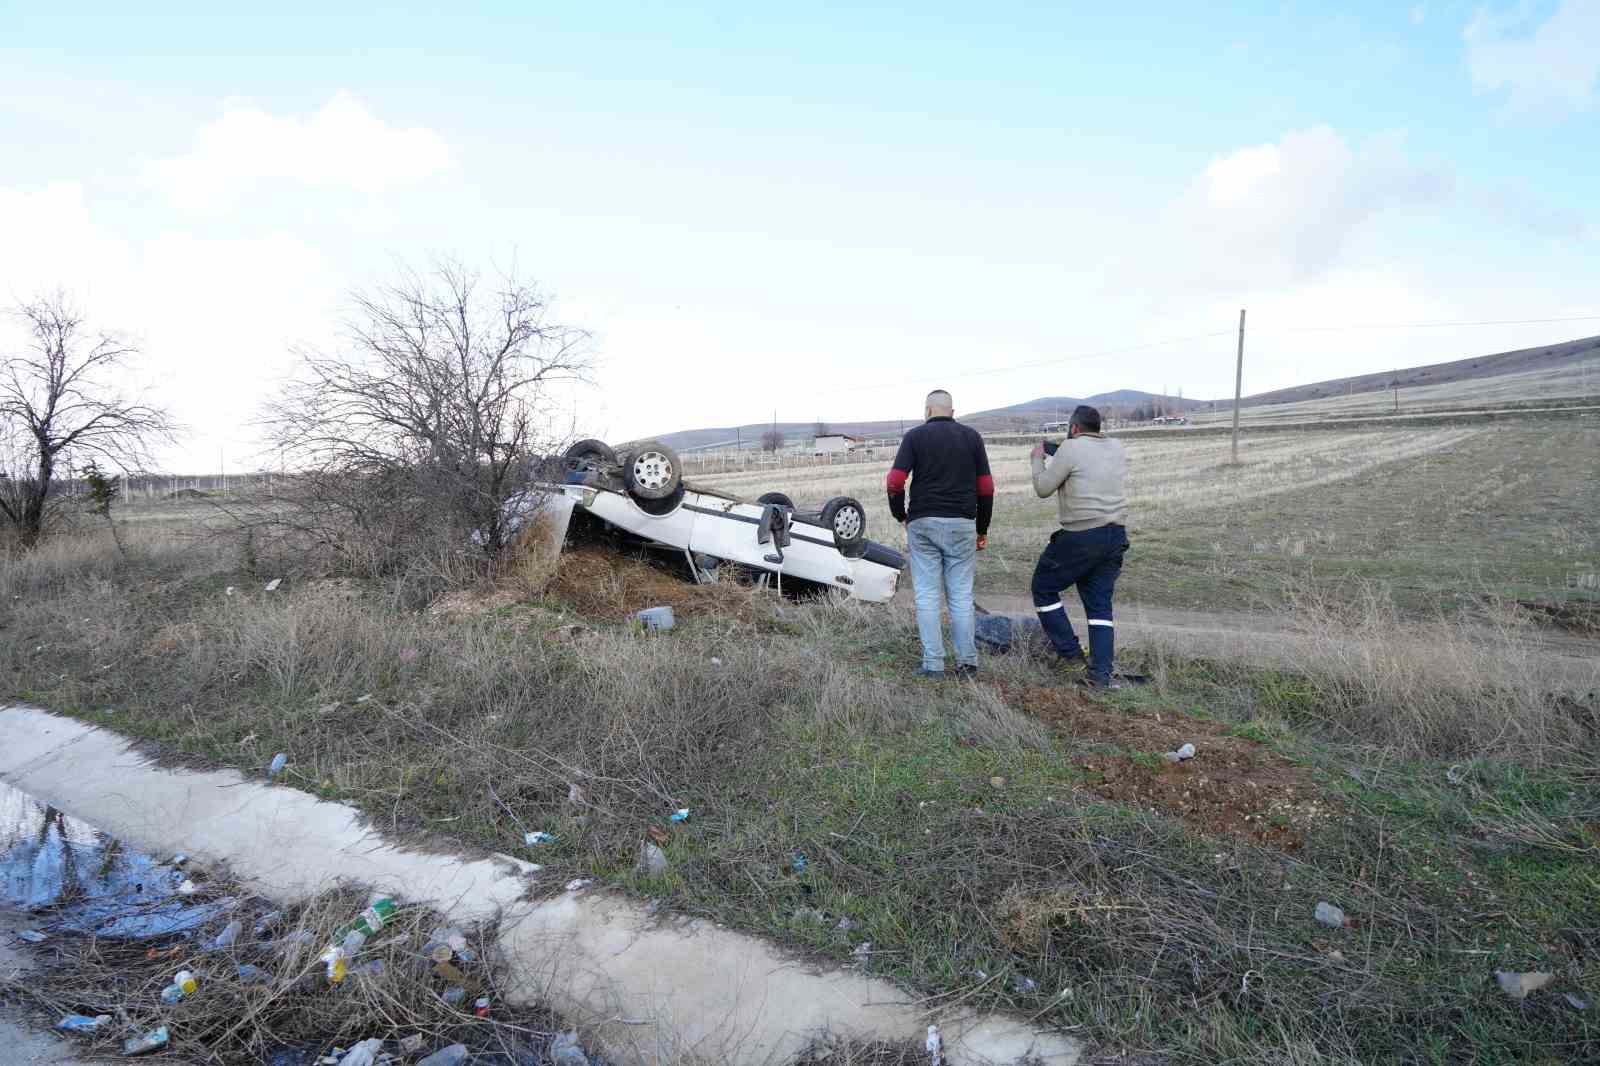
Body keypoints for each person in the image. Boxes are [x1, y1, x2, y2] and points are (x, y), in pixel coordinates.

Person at [887, 389, 994, 678]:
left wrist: (901, 515)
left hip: (923, 523)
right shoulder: (972, 437)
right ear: (952, 411)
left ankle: (933, 664)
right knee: (960, 596)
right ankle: (967, 663)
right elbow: (986, 487)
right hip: (962, 523)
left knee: (927, 596)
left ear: (927, 410)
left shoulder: (915, 437)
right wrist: (981, 529)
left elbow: (895, 480)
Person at [1029, 404, 1128, 687]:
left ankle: (1070, 656)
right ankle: (1100, 674)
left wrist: (1038, 459)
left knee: (1044, 588)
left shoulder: (1070, 449)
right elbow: (1087, 458)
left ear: (1073, 428)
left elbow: (1043, 488)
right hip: (1116, 535)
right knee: (1099, 607)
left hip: (1082, 535)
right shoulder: (1116, 447)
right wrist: (1059, 450)